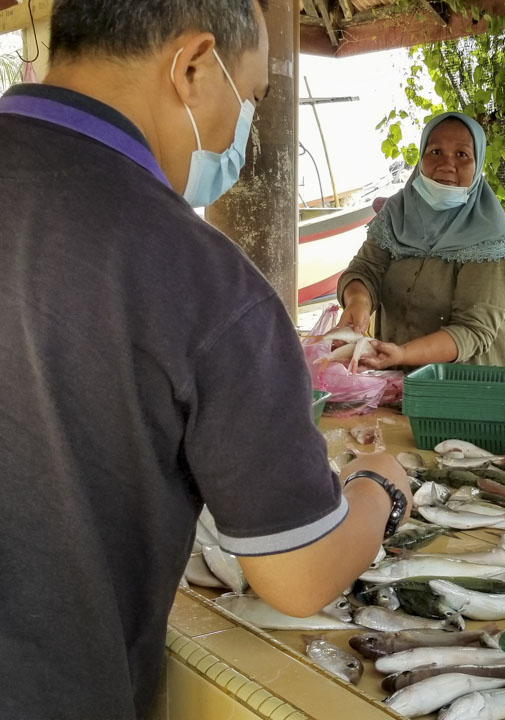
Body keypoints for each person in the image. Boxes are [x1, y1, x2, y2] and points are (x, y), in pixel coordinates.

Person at [0, 2, 412, 717]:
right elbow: (299, 576)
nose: (241, 136)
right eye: (249, 99)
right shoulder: (206, 283)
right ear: (193, 68)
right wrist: (382, 487)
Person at [336, 112, 505, 370]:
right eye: (435, 151)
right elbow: (365, 270)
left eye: (462, 155)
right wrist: (358, 302)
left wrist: (403, 354)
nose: (446, 165)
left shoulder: (492, 241)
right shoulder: (396, 215)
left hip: (473, 395)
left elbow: (473, 330)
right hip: (399, 387)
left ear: (478, 163)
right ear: (421, 158)